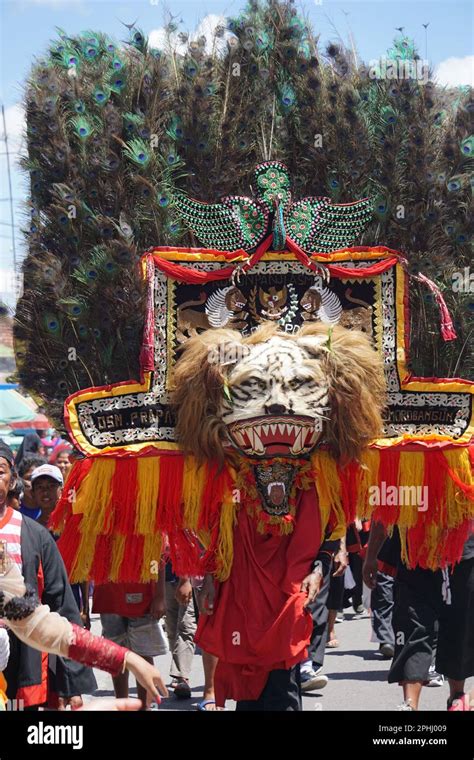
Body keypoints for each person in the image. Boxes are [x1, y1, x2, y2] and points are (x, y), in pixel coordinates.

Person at [0, 547, 168, 710]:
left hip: (140, 598)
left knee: (141, 654)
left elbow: (38, 624)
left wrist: (123, 657)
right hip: (110, 598)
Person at [0, 440, 96, 709]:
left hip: (22, 656)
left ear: (13, 479)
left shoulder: (35, 535)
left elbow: (62, 607)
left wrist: (70, 681)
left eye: (0, 471)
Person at [363, 521, 474, 711]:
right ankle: (409, 704)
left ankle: (457, 695)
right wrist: (371, 554)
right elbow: (385, 503)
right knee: (412, 624)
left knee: (459, 625)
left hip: (462, 551)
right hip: (415, 551)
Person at [92, 570, 168, 710]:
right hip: (107, 595)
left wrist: (159, 594)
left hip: (141, 593)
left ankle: (144, 707)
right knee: (115, 654)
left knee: (143, 653)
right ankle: (122, 705)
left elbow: (156, 559)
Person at [164, 566, 197, 699]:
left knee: (186, 626)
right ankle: (179, 674)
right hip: (166, 576)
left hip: (188, 577)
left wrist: (186, 579)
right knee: (171, 627)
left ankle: (181, 676)